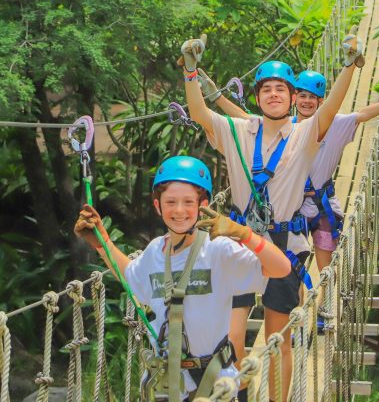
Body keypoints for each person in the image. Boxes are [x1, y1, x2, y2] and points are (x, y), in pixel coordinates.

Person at [179, 32, 364, 401]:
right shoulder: (237, 130)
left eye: (282, 89)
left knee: (278, 339)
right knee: (232, 339)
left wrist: (348, 67)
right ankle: (243, 395)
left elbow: (329, 111)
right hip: (239, 242)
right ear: (258, 96)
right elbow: (199, 113)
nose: (274, 94)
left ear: (294, 99)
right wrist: (190, 70)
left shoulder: (305, 133)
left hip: (284, 246)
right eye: (267, 89)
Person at [202, 68, 379, 331]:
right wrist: (215, 97)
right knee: (295, 261)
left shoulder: (332, 123)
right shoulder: (284, 124)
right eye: (302, 95)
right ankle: (297, 313)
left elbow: (360, 115)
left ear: (321, 102)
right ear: (295, 98)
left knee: (326, 259)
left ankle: (325, 306)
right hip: (297, 203)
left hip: (322, 201)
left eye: (313, 97)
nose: (306, 101)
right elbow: (246, 120)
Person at [74, 155, 291, 401]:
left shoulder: (218, 249)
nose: (179, 210)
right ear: (158, 206)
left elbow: (281, 268)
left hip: (213, 383)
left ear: (204, 204)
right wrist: (103, 244)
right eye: (170, 202)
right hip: (166, 384)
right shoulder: (155, 251)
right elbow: (131, 278)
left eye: (188, 202)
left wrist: (244, 234)